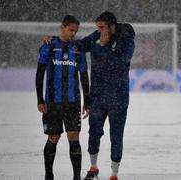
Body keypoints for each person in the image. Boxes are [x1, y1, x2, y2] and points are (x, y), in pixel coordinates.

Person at [81, 11, 135, 180]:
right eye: (97, 27)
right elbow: (78, 46)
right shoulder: (96, 36)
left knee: (116, 136)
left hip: (119, 99)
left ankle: (114, 174)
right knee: (94, 133)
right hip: (97, 97)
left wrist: (104, 45)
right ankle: (93, 167)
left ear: (112, 27)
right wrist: (55, 42)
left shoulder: (127, 40)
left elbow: (119, 63)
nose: (99, 31)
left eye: (102, 27)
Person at [36, 15, 90, 180]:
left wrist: (87, 101)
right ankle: (48, 175)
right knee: (53, 137)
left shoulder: (78, 48)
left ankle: (76, 177)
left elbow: (84, 76)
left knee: (74, 137)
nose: (73, 33)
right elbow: (39, 74)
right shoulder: (49, 46)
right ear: (62, 27)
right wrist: (40, 99)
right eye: (71, 30)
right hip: (53, 101)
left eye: (76, 31)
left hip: (73, 102)